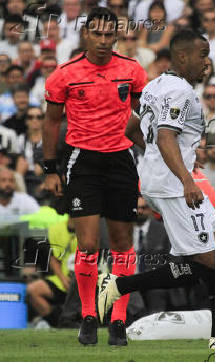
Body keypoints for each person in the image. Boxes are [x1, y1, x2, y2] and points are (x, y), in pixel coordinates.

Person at [97, 29, 215, 349]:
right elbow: (167, 136)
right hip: (175, 187)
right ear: (183, 56)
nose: (207, 63)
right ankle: (119, 285)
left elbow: (133, 129)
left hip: (166, 179)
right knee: (203, 263)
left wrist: (164, 160)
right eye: (202, 55)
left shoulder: (154, 85)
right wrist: (184, 177)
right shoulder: (179, 91)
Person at [43, 7, 147, 346]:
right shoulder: (64, 74)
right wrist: (49, 169)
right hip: (82, 161)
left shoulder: (132, 70)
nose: (103, 40)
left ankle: (118, 320)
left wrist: (148, 153)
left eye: (108, 34)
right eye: (97, 34)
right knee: (88, 245)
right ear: (85, 34)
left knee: (122, 246)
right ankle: (88, 316)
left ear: (116, 36)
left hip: (120, 160)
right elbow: (51, 123)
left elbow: (143, 115)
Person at [27, 216, 78, 327]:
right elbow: (54, 259)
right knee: (33, 289)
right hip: (64, 281)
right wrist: (63, 279)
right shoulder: (56, 228)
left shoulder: (95, 229)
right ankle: (58, 324)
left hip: (89, 281)